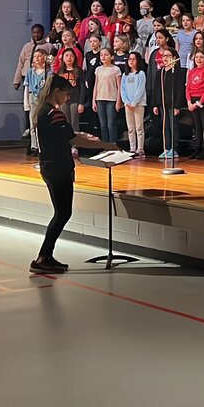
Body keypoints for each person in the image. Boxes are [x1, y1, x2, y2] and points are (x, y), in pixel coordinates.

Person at [29, 76, 99, 274]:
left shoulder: (42, 111)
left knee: (60, 213)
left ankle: (46, 256)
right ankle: (44, 256)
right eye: (66, 93)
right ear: (56, 91)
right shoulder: (54, 113)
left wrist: (82, 136)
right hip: (59, 168)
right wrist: (104, 145)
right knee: (62, 214)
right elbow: (71, 138)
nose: (68, 98)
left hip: (48, 166)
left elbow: (65, 135)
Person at [150, 47, 186, 160]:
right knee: (165, 126)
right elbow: (156, 89)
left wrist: (177, 105)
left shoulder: (177, 72)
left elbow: (180, 89)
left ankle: (174, 149)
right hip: (162, 104)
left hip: (172, 103)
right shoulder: (160, 72)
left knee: (173, 126)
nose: (165, 58)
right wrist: (155, 104)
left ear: (174, 58)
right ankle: (166, 148)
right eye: (164, 56)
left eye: (168, 56)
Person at [91, 48, 122, 144]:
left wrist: (118, 101)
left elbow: (119, 86)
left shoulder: (115, 69)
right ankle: (105, 145)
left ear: (112, 57)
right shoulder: (98, 69)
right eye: (101, 55)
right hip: (100, 99)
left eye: (106, 55)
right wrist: (93, 101)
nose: (103, 57)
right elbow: (96, 85)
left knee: (111, 124)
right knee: (103, 124)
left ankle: (113, 144)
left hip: (111, 99)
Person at [121, 52, 147, 158]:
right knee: (130, 128)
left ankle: (140, 149)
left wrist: (134, 102)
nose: (131, 61)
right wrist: (126, 102)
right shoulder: (125, 75)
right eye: (129, 59)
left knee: (139, 127)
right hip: (128, 105)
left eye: (134, 59)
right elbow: (122, 90)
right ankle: (132, 148)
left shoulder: (141, 74)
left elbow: (140, 89)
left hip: (139, 104)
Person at [23, 50, 50, 155]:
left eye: (39, 56)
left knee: (43, 123)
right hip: (33, 97)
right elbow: (27, 87)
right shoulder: (30, 72)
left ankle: (44, 146)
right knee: (33, 122)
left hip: (44, 98)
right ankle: (35, 146)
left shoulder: (48, 72)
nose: (37, 58)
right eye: (35, 57)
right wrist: (26, 103)